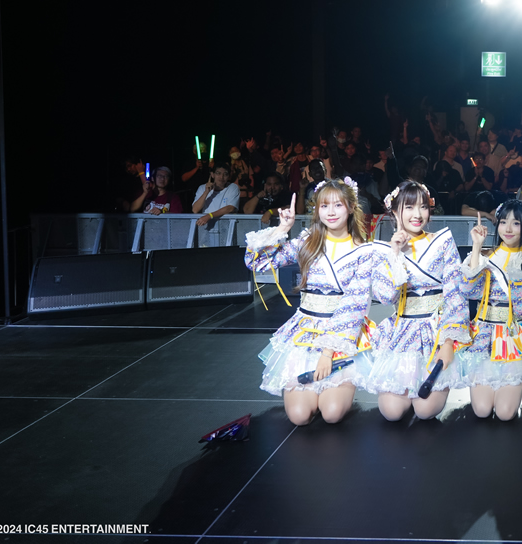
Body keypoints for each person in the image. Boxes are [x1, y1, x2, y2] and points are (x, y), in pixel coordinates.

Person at [245, 179, 379, 426]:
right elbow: (257, 263)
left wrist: (328, 353)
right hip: (306, 332)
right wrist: (282, 229)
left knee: (332, 413)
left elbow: (355, 306)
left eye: (337, 205)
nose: (330, 212)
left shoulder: (364, 251)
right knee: (299, 416)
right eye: (324, 205)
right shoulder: (308, 241)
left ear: (351, 207)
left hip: (341, 336)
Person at [366, 181, 471, 421]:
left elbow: (456, 295)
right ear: (395, 211)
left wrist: (448, 343)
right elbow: (385, 296)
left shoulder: (442, 241)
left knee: (425, 411)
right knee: (391, 412)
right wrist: (394, 253)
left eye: (423, 207)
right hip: (403, 330)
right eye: (409, 207)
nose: (417, 214)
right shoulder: (384, 250)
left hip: (437, 330)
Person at [446, 202, 522, 420]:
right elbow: (468, 290)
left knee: (505, 413)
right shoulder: (485, 256)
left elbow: (521, 309)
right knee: (481, 410)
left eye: (515, 223)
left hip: (513, 334)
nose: (508, 228)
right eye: (503, 221)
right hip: (484, 334)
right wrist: (476, 247)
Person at [191, 164, 241, 239]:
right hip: (206, 229)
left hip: (226, 228)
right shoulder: (202, 188)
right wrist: (206, 192)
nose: (221, 177)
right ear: (212, 174)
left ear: (229, 176)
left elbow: (230, 208)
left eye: (225, 174)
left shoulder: (233, 187)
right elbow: (195, 209)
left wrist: (210, 216)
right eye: (218, 173)